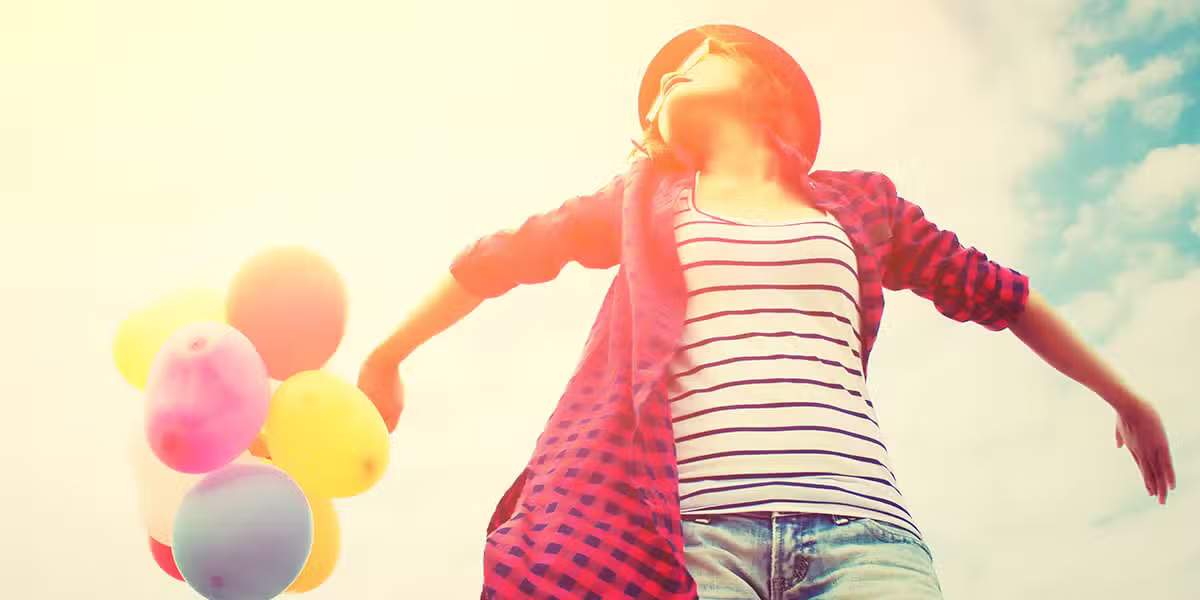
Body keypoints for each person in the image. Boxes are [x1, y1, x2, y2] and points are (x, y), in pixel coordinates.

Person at [358, 24, 1176, 600]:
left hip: (866, 545)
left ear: (760, 84)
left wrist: (1127, 398)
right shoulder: (643, 200)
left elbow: (1006, 296)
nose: (665, 88)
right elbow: (498, 258)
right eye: (659, 90)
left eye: (690, 65)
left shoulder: (865, 205)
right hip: (693, 551)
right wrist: (386, 356)